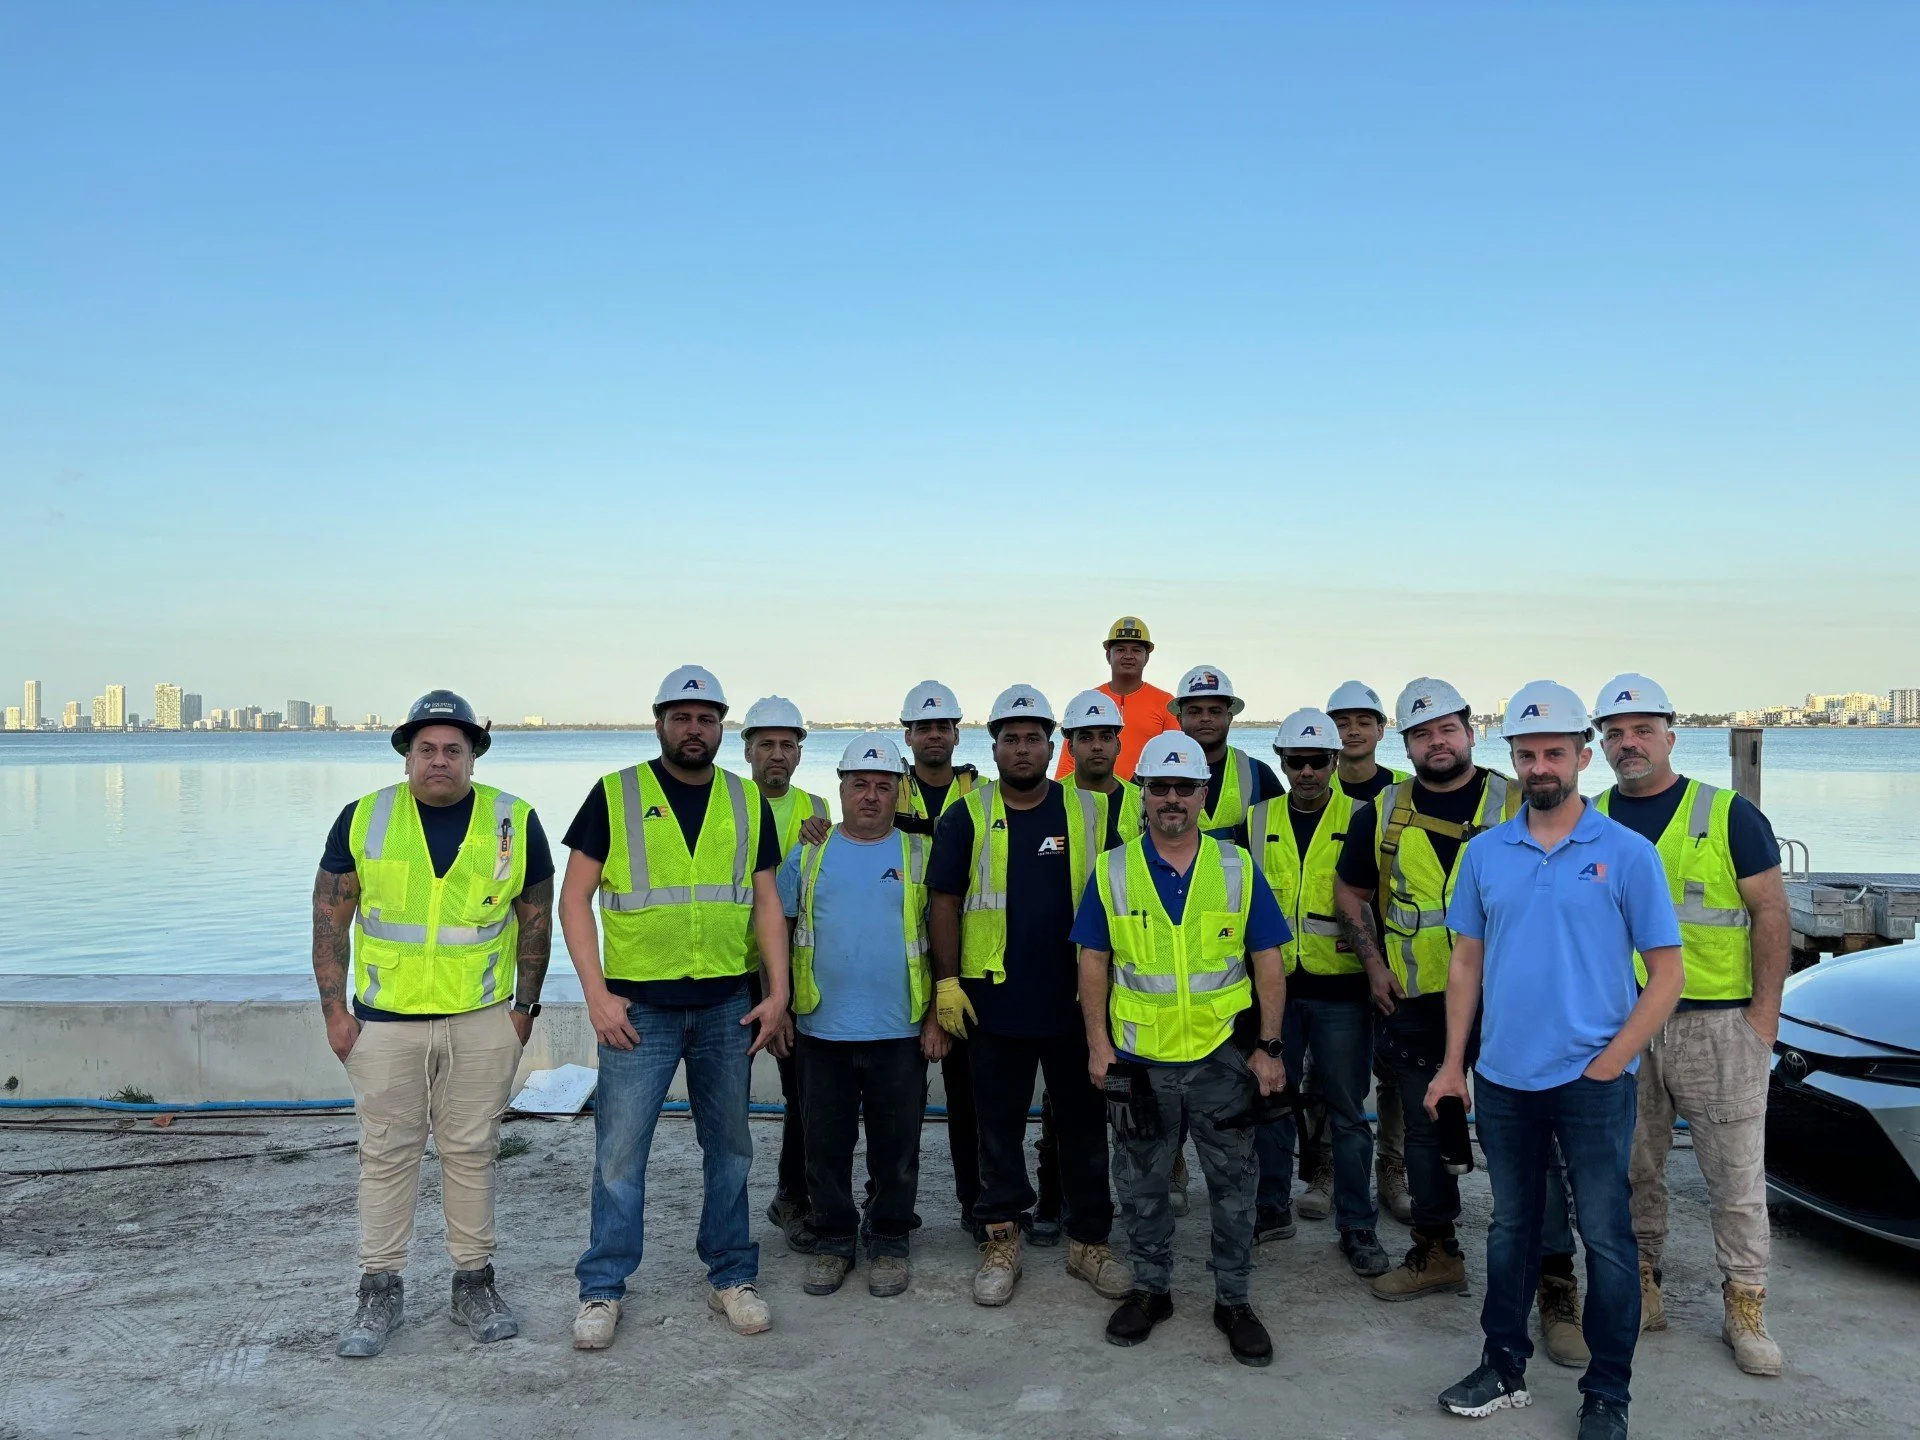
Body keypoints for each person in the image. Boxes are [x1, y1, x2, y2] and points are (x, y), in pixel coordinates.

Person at [1427, 681, 1684, 1440]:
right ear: (1513, 759)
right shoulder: (1485, 854)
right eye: (1527, 753)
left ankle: (1608, 1393)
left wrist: (1613, 1063)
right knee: (1511, 1228)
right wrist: (1452, 1066)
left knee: (1607, 1237)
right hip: (1503, 1079)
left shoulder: (1626, 854)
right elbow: (1466, 964)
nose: (1541, 765)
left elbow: (1667, 972)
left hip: (1593, 1083)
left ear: (1580, 757)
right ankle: (1502, 1365)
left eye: (1554, 752)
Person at [314, 690, 554, 1359]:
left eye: (453, 748)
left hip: (481, 1022)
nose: (439, 761)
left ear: (473, 755)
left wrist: (523, 1012)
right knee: (385, 1154)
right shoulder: (363, 818)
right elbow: (329, 919)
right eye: (427, 749)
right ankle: (378, 1291)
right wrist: (335, 1011)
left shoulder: (514, 820)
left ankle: (473, 1283)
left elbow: (536, 921)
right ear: (407, 756)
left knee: (472, 1151)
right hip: (384, 1024)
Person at [561, 665, 791, 1348]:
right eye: (682, 717)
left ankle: (730, 1275)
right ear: (660, 720)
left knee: (730, 1150)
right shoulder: (616, 794)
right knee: (619, 1157)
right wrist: (597, 996)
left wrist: (776, 994)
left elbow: (768, 904)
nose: (695, 729)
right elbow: (576, 898)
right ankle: (602, 1288)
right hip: (639, 1014)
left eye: (707, 718)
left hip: (727, 1007)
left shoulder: (746, 800)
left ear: (723, 726)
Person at [1592, 673, 1791, 1376]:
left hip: (1718, 1028)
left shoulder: (1727, 814)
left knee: (1735, 1178)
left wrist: (1762, 1020)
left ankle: (1745, 1305)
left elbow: (1771, 913)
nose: (1627, 743)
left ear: (1671, 735)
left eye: (1641, 729)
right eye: (1614, 733)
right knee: (1632, 1169)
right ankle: (1644, 1285)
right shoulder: (1591, 820)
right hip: (1625, 1028)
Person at [1074, 733, 1292, 1367]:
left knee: (1234, 1185)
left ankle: (1234, 1300)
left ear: (1203, 794)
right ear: (1143, 794)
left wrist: (1269, 1047)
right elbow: (1094, 962)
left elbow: (1267, 961)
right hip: (1139, 1064)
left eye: (1184, 788)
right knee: (1140, 1185)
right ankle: (1150, 1290)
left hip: (1222, 1061)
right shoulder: (1114, 870)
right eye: (1159, 787)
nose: (1172, 799)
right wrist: (1098, 1047)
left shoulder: (1236, 867)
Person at [928, 684, 1131, 1309]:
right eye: (1010, 738)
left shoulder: (1092, 814)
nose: (1022, 749)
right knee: (997, 1131)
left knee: (1084, 1129)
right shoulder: (965, 814)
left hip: (1076, 1005)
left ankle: (1088, 1242)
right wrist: (947, 981)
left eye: (1033, 738)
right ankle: (1000, 1238)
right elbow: (944, 901)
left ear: (1054, 746)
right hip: (994, 1007)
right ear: (993, 747)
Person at [1333, 677, 1520, 1301]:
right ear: (1405, 745)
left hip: (1507, 1004)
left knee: (1516, 1131)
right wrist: (1374, 965)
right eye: (1421, 734)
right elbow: (1351, 893)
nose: (1435, 743)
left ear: (1469, 730)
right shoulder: (1382, 812)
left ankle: (1542, 1268)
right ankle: (1437, 1250)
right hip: (1413, 1001)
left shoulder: (1519, 803)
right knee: (1422, 1128)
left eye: (1445, 729)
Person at [778, 734, 946, 1300]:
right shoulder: (809, 853)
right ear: (841, 789)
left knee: (895, 1147)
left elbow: (942, 937)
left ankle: (891, 1239)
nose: (871, 796)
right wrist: (778, 1006)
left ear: (899, 792)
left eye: (883, 786)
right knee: (824, 1145)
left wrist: (936, 1019)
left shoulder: (918, 855)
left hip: (900, 1029)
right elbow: (777, 931)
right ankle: (833, 1241)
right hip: (821, 1028)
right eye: (860, 785)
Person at [1244, 709, 1389, 1278]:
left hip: (1343, 993)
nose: (1306, 772)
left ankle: (1356, 1224)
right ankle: (1271, 1207)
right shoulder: (1256, 822)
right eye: (1296, 761)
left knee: (1349, 1113)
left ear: (1335, 763)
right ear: (1281, 762)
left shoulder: (1364, 818)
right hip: (1274, 992)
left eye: (1317, 762)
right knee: (1271, 1102)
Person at [739, 695, 834, 1253]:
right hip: (733, 968)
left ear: (800, 751)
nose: (777, 754)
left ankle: (792, 1197)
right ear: (747, 748)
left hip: (791, 972)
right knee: (729, 1100)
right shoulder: (730, 802)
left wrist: (789, 987)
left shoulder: (817, 807)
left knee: (805, 1096)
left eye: (787, 745)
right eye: (767, 744)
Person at [894, 679, 985, 1231]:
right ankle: (892, 1210)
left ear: (957, 733)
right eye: (923, 726)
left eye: (942, 726)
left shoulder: (983, 792)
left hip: (962, 957)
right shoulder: (883, 785)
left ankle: (976, 1207)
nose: (933, 735)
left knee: (967, 1100)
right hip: (898, 958)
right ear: (908, 734)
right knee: (897, 1100)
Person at [1324, 679, 1415, 1226]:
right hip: (1329, 959)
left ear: (1383, 730)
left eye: (1363, 721)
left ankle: (1393, 1166)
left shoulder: (1405, 792)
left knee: (1398, 1071)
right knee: (1328, 1073)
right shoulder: (1312, 785)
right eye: (1342, 722)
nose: (1353, 730)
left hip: (1401, 956)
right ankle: (1325, 1167)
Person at [1055, 616, 1178, 782]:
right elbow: (1068, 762)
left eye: (1136, 650)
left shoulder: (1165, 702)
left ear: (1146, 657)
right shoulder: (1088, 701)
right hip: (1090, 797)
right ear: (1108, 656)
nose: (1128, 656)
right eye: (1120, 650)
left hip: (1146, 798)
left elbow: (1175, 756)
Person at [1167, 664, 1283, 833]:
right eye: (1195, 712)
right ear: (1179, 719)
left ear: (1229, 718)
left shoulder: (1257, 774)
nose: (1205, 718)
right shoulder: (1156, 772)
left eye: (1215, 711)